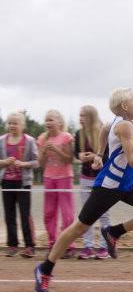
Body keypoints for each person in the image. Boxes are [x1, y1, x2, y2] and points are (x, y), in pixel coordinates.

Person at [33, 88, 133, 292]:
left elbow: (103, 130)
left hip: (126, 184)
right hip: (108, 186)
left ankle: (114, 232)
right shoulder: (125, 125)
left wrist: (99, 154)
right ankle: (44, 269)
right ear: (125, 107)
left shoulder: (119, 123)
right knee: (79, 228)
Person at [37, 109, 76, 259]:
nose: (48, 123)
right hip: (49, 178)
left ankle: (68, 246)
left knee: (67, 214)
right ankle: (53, 244)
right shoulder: (42, 139)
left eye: (51, 120)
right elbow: (41, 164)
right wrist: (43, 152)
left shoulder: (66, 137)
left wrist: (55, 150)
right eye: (46, 120)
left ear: (60, 122)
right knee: (49, 213)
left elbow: (69, 160)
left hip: (64, 177)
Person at [74, 105, 111, 260]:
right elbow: (77, 153)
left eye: (83, 115)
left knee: (103, 213)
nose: (80, 118)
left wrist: (95, 156)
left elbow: (109, 154)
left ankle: (105, 246)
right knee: (86, 214)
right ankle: (88, 246)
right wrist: (80, 155)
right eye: (80, 115)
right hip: (85, 178)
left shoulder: (103, 131)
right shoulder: (79, 134)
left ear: (91, 117)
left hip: (102, 178)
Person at [0, 112, 39, 257]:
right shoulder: (1, 140)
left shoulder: (29, 141)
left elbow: (36, 162)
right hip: (6, 182)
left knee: (24, 214)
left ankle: (29, 246)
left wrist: (22, 164)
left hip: (23, 182)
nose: (12, 126)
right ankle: (12, 245)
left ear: (22, 125)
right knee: (9, 214)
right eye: (9, 123)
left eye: (15, 123)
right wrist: (5, 162)